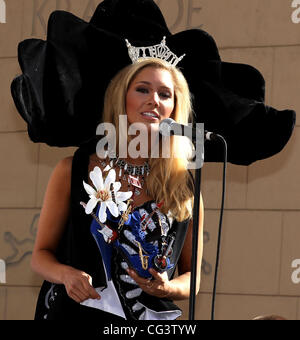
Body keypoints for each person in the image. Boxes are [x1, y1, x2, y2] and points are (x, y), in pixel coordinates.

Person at [31, 56, 204, 320]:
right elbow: (40, 256)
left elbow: (192, 278)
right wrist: (66, 274)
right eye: (143, 89)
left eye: (165, 94)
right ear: (120, 98)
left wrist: (167, 288)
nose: (154, 100)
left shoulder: (184, 187)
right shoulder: (73, 169)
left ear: (174, 109)